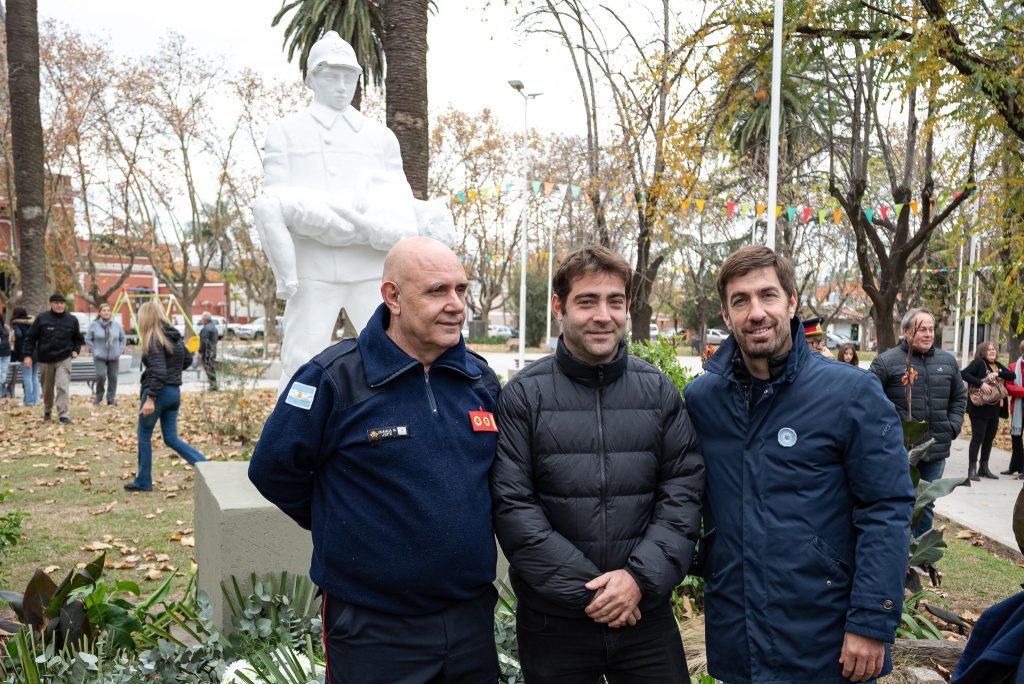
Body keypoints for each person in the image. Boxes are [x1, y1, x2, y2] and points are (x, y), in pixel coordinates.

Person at [249, 236, 501, 684]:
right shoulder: (333, 378)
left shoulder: (479, 380)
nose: (456, 305)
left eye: (461, 290)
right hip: (373, 629)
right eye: (437, 291)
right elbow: (273, 470)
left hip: (469, 622)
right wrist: (343, 518)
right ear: (393, 297)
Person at [684, 246, 914, 684]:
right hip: (739, 632)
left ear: (791, 302)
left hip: (825, 638)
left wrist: (870, 621)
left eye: (768, 296)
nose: (756, 312)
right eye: (741, 300)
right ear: (726, 313)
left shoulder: (852, 395)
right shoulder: (702, 401)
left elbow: (886, 507)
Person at [490, 245, 705, 683]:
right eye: (587, 301)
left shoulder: (659, 392)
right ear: (559, 307)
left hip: (645, 614)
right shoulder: (523, 397)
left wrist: (636, 582)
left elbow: (682, 493)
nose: (603, 315)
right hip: (555, 624)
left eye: (615, 301)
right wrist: (594, 594)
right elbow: (513, 506)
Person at [254, 31, 456, 393]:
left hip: (371, 268)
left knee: (391, 355)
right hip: (313, 268)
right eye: (331, 76)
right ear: (312, 78)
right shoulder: (286, 132)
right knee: (300, 360)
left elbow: (397, 198)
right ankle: (294, 437)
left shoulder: (380, 137)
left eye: (349, 76)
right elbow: (274, 198)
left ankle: (395, 430)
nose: (340, 85)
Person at [870, 307, 966, 538]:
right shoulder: (886, 362)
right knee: (898, 501)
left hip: (935, 448)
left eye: (932, 329)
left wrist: (952, 426)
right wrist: (889, 433)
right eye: (922, 329)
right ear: (906, 331)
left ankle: (920, 555)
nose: (928, 334)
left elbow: (959, 396)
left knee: (927, 502)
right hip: (900, 449)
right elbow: (869, 400)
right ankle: (898, 551)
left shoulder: (947, 362)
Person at [124, 301, 206, 492]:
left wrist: (150, 399)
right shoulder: (175, 337)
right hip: (173, 393)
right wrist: (173, 373)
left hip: (158, 393)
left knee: (144, 435)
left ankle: (143, 481)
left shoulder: (154, 338)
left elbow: (159, 370)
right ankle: (207, 466)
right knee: (171, 438)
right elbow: (187, 360)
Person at [24, 293, 85, 424]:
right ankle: (47, 409)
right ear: (51, 304)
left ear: (65, 304)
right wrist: (28, 355)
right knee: (47, 388)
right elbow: (30, 338)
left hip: (64, 358)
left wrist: (76, 350)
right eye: (56, 303)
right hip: (45, 358)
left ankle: (63, 414)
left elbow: (78, 339)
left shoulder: (72, 320)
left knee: (62, 386)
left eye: (62, 303)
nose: (59, 305)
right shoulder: (42, 318)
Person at [961, 341, 1015, 481]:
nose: (992, 352)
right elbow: (963, 374)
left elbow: (1012, 375)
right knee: (977, 438)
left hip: (994, 408)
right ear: (983, 352)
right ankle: (971, 469)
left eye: (994, 349)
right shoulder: (979, 363)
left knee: (989, 439)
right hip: (979, 408)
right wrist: (981, 383)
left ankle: (983, 467)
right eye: (989, 349)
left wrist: (997, 373)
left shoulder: (996, 365)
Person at [85, 303, 126, 406]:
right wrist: (95, 350)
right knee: (101, 375)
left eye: (108, 310)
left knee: (113, 377)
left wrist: (119, 350)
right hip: (99, 356)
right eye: (104, 310)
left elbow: (123, 338)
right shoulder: (94, 325)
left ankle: (111, 398)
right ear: (100, 312)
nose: (106, 312)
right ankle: (99, 396)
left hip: (114, 356)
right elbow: (88, 339)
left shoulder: (116, 325)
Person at [1004, 340, 1024, 479]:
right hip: (1017, 409)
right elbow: (1008, 387)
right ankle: (1014, 467)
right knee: (1016, 438)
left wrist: (1020, 390)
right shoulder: (1012, 367)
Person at [10, 307, 38, 405]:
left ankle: (29, 401)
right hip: (35, 352)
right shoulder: (33, 322)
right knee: (34, 377)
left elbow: (19, 335)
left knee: (27, 376)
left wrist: (14, 339)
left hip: (24, 352)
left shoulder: (16, 323)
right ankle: (36, 399)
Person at [198, 312, 218, 391]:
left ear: (204, 320)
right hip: (213, 351)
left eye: (201, 319)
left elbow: (203, 342)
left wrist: (200, 351)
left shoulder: (205, 329)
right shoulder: (214, 327)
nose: (201, 320)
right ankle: (214, 384)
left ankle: (213, 386)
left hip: (207, 352)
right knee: (211, 368)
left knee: (208, 368)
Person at [0, 313, 10, 398]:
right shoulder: (5, 328)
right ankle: (2, 391)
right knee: (3, 372)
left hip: (2, 351)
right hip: (6, 352)